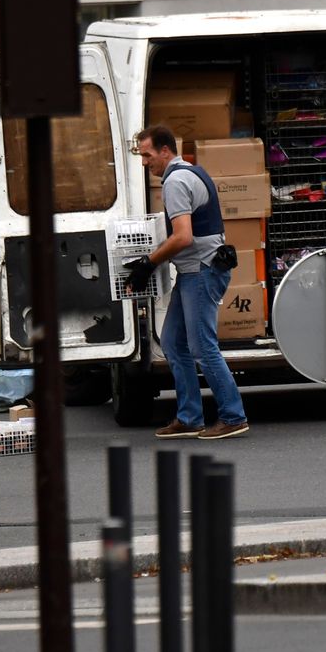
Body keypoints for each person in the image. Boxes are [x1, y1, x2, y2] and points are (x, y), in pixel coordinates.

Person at [125, 126, 250, 440]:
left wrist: (148, 262)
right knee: (171, 342)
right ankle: (190, 417)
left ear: (165, 151)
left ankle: (233, 417)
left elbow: (183, 236)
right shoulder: (191, 171)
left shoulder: (176, 181)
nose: (144, 162)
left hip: (201, 271)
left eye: (147, 155)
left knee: (202, 347)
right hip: (195, 270)